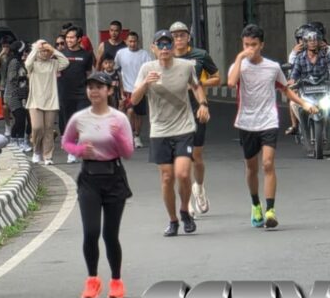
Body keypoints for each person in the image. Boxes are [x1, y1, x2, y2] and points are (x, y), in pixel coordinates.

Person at [227, 24, 318, 229]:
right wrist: (240, 58)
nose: (250, 48)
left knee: (267, 164)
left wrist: (304, 103)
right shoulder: (238, 65)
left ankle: (270, 210)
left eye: (254, 45)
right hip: (246, 122)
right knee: (251, 168)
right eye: (246, 44)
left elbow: (286, 90)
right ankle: (255, 204)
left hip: (268, 120)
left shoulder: (272, 67)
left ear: (262, 45)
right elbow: (231, 83)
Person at [62, 72, 134, 298]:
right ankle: (92, 280)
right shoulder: (79, 118)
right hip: (89, 178)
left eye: (99, 87)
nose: (94, 91)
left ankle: (116, 280)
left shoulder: (119, 119)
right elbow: (66, 142)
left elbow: (128, 152)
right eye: (90, 87)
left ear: (109, 91)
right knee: (91, 232)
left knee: (110, 234)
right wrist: (80, 151)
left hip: (113, 177)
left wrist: (118, 137)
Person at [131, 30, 210, 237]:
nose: (165, 49)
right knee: (167, 177)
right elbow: (134, 100)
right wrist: (146, 83)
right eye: (161, 45)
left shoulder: (186, 66)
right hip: (159, 130)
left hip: (184, 127)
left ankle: (185, 210)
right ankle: (173, 220)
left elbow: (196, 86)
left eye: (168, 45)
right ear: (153, 48)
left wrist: (203, 104)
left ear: (173, 47)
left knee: (183, 174)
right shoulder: (147, 68)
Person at [170, 21, 221, 217]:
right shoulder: (167, 57)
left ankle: (198, 187)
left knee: (196, 157)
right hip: (176, 111)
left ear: (188, 37)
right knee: (181, 157)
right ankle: (186, 201)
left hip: (198, 108)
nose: (178, 39)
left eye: (182, 35)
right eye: (175, 36)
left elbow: (217, 77)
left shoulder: (200, 55)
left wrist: (199, 83)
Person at [288, 28, 330, 135]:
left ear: (319, 42)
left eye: (315, 40)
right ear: (305, 43)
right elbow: (294, 72)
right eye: (310, 41)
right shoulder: (300, 58)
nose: (313, 43)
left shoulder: (325, 55)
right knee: (293, 103)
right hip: (305, 91)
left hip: (324, 89)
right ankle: (303, 125)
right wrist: (291, 81)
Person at [25, 39, 69, 165]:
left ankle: (47, 156)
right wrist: (36, 48)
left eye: (46, 51)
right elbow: (27, 63)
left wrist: (53, 50)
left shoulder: (53, 63)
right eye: (42, 51)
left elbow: (65, 62)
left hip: (51, 100)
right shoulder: (32, 64)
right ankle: (36, 150)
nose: (44, 53)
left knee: (49, 128)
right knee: (37, 127)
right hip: (35, 100)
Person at [58, 27, 95, 164]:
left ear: (79, 39)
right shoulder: (60, 54)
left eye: (72, 37)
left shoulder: (86, 55)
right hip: (65, 93)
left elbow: (88, 74)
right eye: (67, 37)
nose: (69, 40)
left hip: (81, 93)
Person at [115, 31, 152, 148]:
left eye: (134, 41)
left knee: (138, 114)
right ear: (126, 42)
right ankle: (129, 135)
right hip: (126, 88)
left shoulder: (144, 54)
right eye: (130, 41)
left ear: (138, 42)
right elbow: (116, 68)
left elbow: (150, 71)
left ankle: (137, 136)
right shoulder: (121, 53)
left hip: (139, 89)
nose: (132, 44)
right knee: (130, 111)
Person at [5, 41, 31, 151]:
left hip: (21, 94)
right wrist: (24, 78)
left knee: (22, 118)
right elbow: (12, 78)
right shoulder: (14, 62)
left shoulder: (19, 61)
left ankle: (18, 141)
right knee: (20, 118)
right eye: (24, 50)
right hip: (13, 95)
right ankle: (15, 140)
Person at [0, 35, 14, 136]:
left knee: (16, 107)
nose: (6, 48)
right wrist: (1, 54)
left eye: (7, 46)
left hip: (14, 85)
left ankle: (16, 124)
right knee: (5, 107)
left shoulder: (14, 55)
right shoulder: (0, 56)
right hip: (3, 84)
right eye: (3, 46)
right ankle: (7, 125)